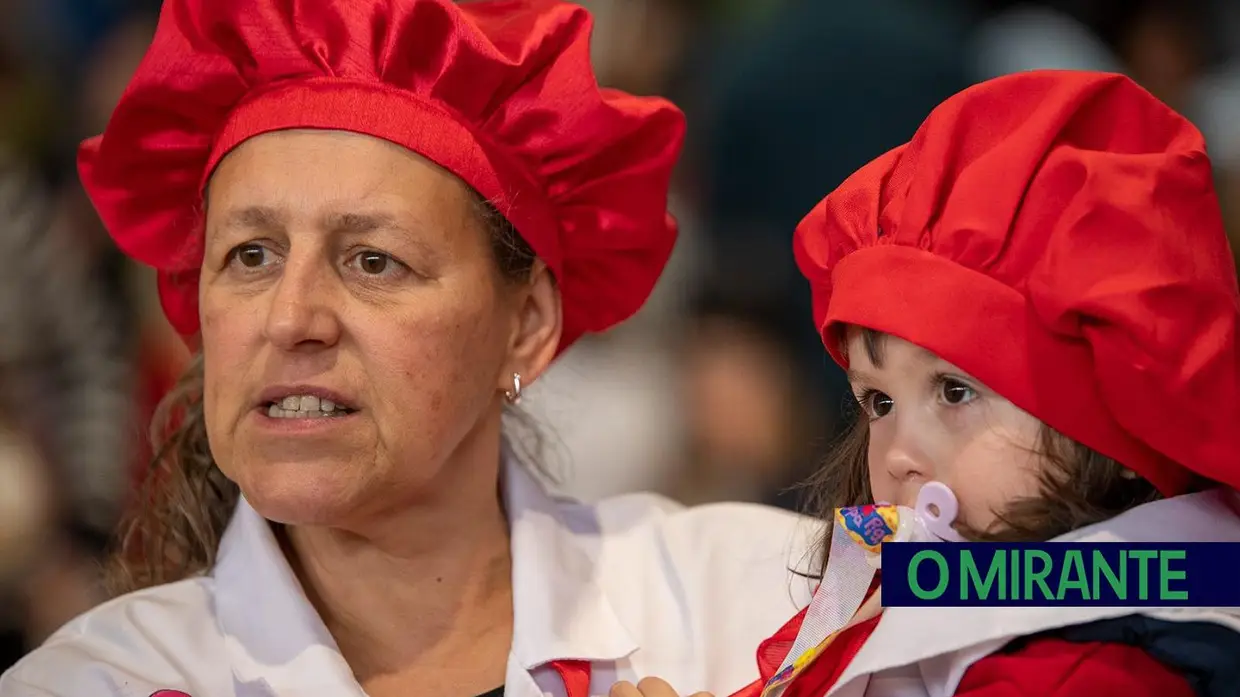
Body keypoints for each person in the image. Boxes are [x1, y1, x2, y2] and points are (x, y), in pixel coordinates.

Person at [0, 1, 818, 696]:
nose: (292, 317)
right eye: (251, 254)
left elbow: (947, 571)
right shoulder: (93, 680)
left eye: (372, 261)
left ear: (526, 323)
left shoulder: (749, 588)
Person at [612, 70, 1240, 697]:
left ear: (1121, 423)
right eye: (879, 402)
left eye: (955, 391)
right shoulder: (969, 603)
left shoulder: (1096, 671)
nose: (897, 457)